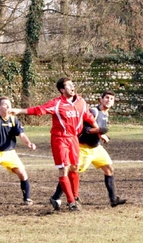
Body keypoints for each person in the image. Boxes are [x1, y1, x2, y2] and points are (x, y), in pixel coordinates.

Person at [10, 77, 102, 212]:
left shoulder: (81, 101)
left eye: (72, 84)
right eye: (68, 85)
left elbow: (88, 117)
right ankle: (71, 203)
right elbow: (39, 110)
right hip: (60, 139)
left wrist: (99, 132)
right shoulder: (57, 103)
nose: (72, 87)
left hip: (74, 139)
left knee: (75, 167)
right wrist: (19, 111)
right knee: (64, 168)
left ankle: (75, 197)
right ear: (62, 90)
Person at [50, 91, 125, 209]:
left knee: (109, 169)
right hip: (84, 148)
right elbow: (84, 128)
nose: (109, 100)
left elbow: (98, 130)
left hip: (97, 148)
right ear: (101, 99)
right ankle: (56, 197)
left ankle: (113, 199)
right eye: (106, 98)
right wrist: (98, 131)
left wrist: (101, 135)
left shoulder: (106, 114)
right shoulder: (94, 112)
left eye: (111, 99)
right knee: (72, 172)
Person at [0, 97, 37, 206]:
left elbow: (21, 134)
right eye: (5, 104)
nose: (8, 107)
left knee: (22, 173)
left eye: (9, 104)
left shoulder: (13, 119)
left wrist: (29, 143)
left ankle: (27, 198)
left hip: (10, 153)